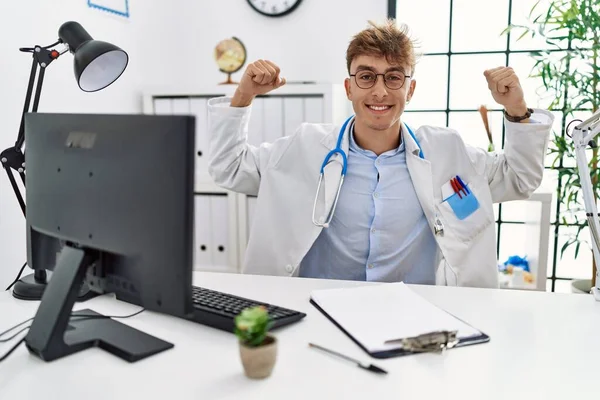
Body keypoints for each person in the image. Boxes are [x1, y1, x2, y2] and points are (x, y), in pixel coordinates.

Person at [206, 19, 553, 288]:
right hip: (320, 312)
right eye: (367, 76)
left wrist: (517, 108)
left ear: (410, 88)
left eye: (394, 78)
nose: (380, 91)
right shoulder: (305, 148)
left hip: (416, 319)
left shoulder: (448, 152)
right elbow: (229, 168)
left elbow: (520, 179)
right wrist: (243, 97)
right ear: (349, 86)